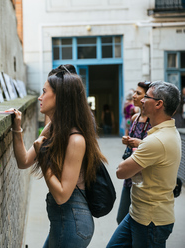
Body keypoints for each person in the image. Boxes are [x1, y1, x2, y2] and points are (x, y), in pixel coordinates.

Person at [11, 64, 107, 247]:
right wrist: (17, 128)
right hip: (64, 222)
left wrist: (43, 156)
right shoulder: (53, 128)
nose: (39, 97)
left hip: (74, 224)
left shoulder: (76, 139)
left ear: (60, 97)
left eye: (44, 92)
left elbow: (62, 195)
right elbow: (23, 161)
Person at [107, 81, 181, 248]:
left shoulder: (156, 140)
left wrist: (134, 153)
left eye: (146, 96)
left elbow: (120, 172)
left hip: (150, 220)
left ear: (158, 104)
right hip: (138, 213)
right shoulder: (164, 133)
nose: (141, 100)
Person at [116, 81, 152, 225]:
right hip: (131, 174)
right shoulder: (134, 118)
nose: (134, 96)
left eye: (138, 93)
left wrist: (138, 143)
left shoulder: (153, 122)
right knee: (122, 217)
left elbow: (154, 148)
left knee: (139, 220)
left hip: (145, 176)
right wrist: (128, 141)